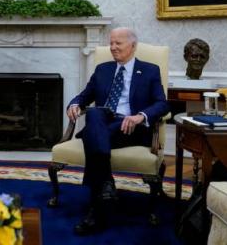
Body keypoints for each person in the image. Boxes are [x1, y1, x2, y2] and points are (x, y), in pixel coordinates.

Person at [66, 28, 168, 235]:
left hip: (131, 127)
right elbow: (84, 96)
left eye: (118, 43)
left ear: (132, 46)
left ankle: (96, 210)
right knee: (95, 113)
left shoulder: (149, 70)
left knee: (92, 132)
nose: (112, 48)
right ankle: (106, 187)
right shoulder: (103, 69)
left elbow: (162, 104)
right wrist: (74, 104)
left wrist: (140, 115)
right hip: (103, 121)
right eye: (111, 43)